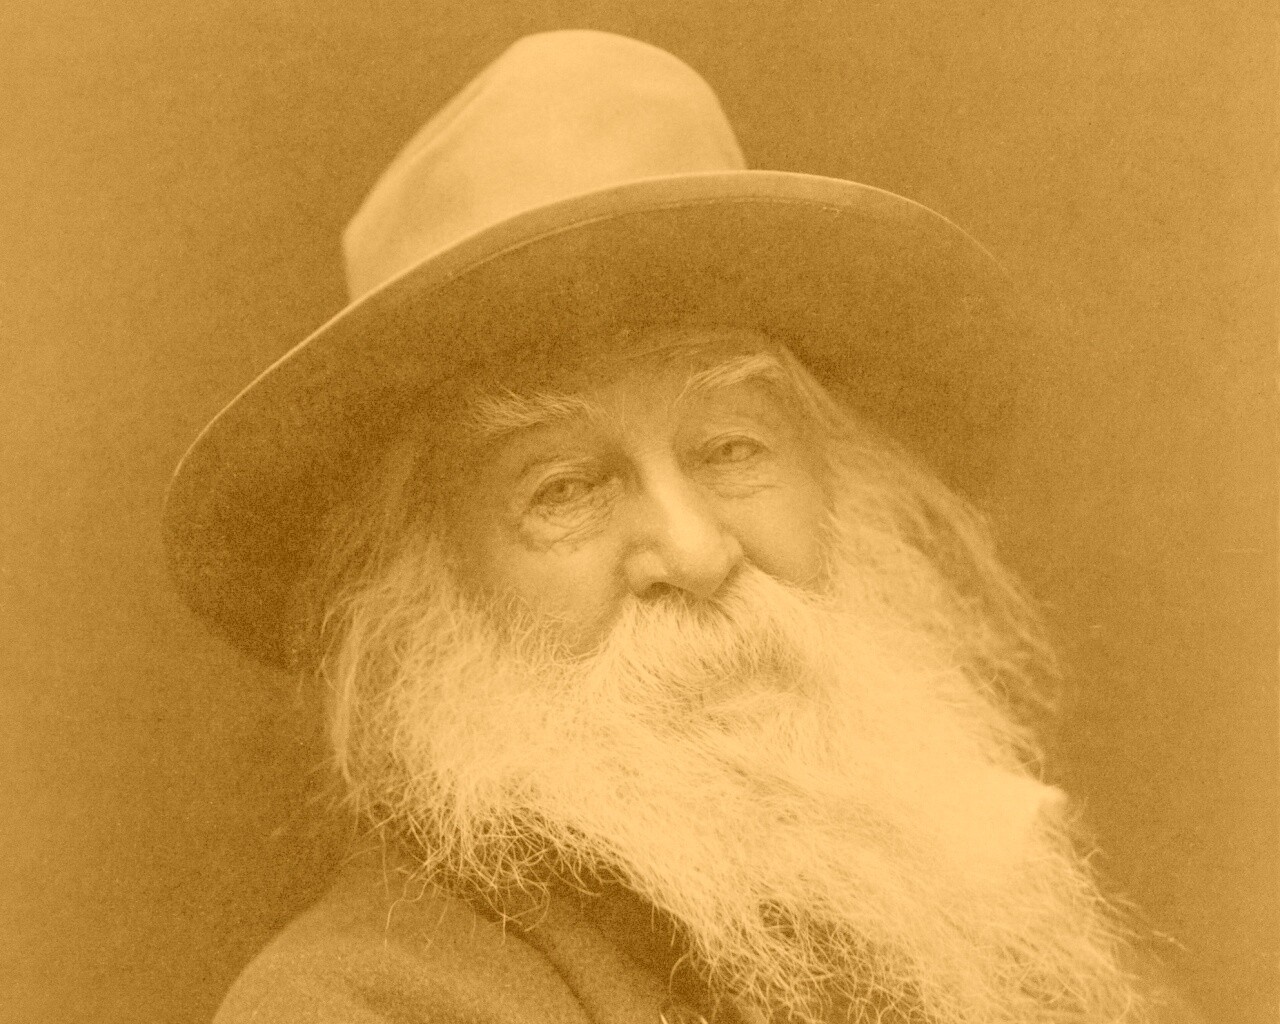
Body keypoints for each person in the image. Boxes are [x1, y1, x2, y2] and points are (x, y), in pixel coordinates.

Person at [164, 29, 1193, 1024]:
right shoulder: (365, 1002)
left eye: (733, 449)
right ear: (423, 594)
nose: (697, 554)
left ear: (837, 482)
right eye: (565, 489)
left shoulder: (1007, 927)